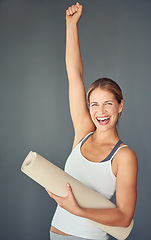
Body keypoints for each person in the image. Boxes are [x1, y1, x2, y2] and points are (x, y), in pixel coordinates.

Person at [46, 2, 138, 240]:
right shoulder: (83, 131)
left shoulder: (124, 157)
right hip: (55, 234)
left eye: (108, 103)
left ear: (120, 105)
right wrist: (71, 25)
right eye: (94, 104)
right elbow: (74, 74)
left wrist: (79, 210)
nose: (101, 111)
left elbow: (124, 216)